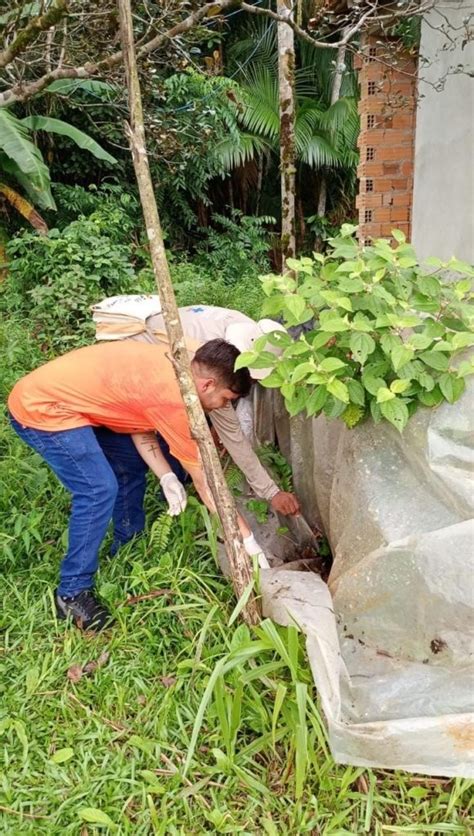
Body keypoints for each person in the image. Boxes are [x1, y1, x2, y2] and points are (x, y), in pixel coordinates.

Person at [7, 338, 266, 632]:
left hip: (72, 404)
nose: (224, 407)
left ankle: (128, 539)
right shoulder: (174, 401)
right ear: (207, 385)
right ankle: (72, 592)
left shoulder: (177, 361)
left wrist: (166, 475)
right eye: (226, 399)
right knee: (97, 489)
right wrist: (248, 540)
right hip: (43, 409)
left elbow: (139, 419)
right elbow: (206, 485)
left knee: (128, 462)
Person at [93, 301, 301, 517]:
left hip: (154, 373)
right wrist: (271, 492)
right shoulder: (213, 363)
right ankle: (135, 531)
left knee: (174, 448)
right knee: (131, 460)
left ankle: (176, 501)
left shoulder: (245, 332)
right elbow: (232, 434)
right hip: (120, 377)